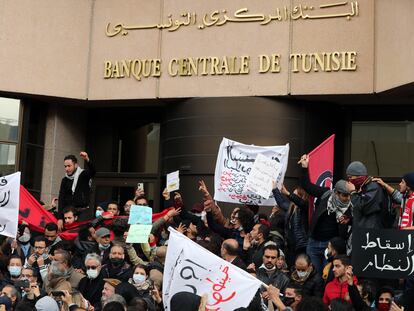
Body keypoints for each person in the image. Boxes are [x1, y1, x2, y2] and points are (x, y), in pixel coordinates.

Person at [298, 154, 352, 274]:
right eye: (344, 195)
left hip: (330, 246)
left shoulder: (350, 206)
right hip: (314, 242)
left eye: (348, 195)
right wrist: (304, 167)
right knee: (313, 275)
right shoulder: (326, 194)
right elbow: (307, 186)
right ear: (336, 193)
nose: (346, 198)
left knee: (328, 275)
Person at [346, 161, 391, 229]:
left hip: (371, 232)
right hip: (363, 231)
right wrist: (350, 219)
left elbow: (364, 208)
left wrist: (353, 192)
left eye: (350, 177)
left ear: (359, 176)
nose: (349, 180)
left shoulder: (373, 187)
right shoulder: (362, 187)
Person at [58, 151, 96, 231]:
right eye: (65, 166)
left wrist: (87, 159)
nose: (67, 169)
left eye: (69, 166)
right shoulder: (65, 180)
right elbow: (61, 198)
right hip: (68, 212)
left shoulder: (83, 175)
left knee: (80, 232)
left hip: (82, 211)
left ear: (75, 165)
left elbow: (93, 172)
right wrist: (60, 218)